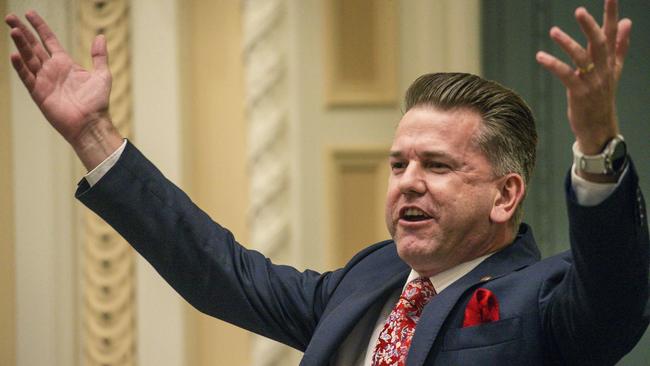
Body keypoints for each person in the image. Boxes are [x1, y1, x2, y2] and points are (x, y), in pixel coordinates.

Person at [6, 0, 648, 364]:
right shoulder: (370, 278)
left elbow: (616, 288)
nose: (409, 183)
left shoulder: (546, 297)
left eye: (438, 165)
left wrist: (595, 144)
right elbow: (219, 271)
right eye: (399, 165)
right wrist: (93, 136)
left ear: (506, 195)